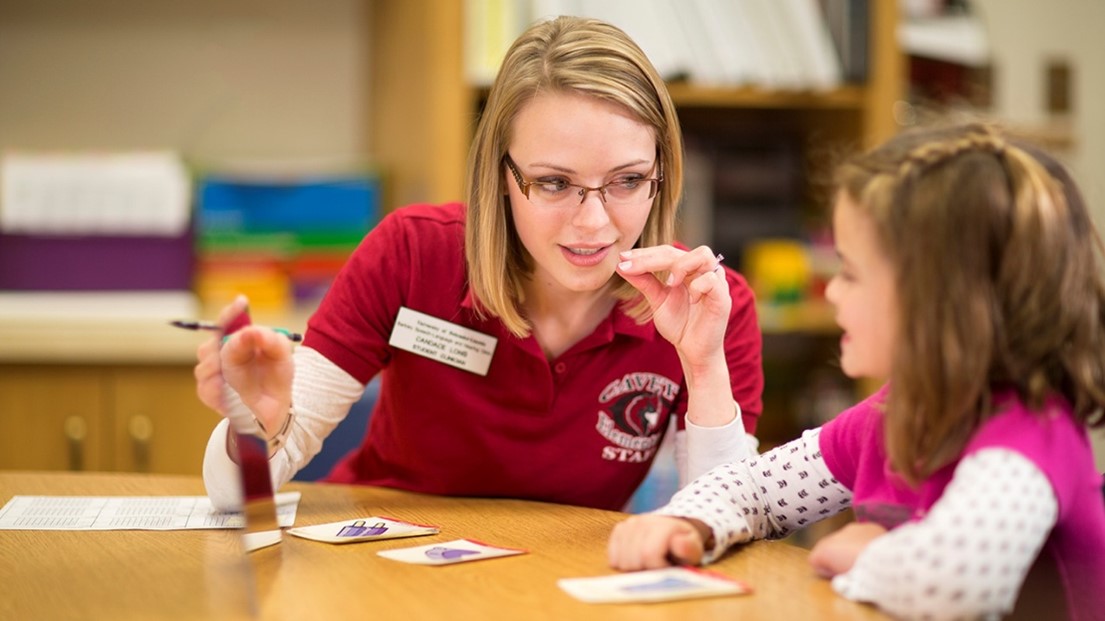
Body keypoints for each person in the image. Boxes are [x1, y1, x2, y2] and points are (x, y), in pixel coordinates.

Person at [195, 16, 764, 513]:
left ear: (661, 176)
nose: (594, 223)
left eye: (628, 180)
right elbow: (234, 498)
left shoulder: (707, 304)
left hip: (554, 585)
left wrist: (702, 363)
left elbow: (721, 515)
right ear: (502, 175)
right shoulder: (412, 254)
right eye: (553, 182)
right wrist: (258, 429)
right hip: (380, 565)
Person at [606, 122, 1105, 620]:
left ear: (938, 304)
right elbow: (755, 489)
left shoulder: (1034, 431)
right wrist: (690, 524)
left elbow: (954, 585)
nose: (834, 293)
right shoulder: (891, 417)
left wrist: (857, 553)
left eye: (850, 273)